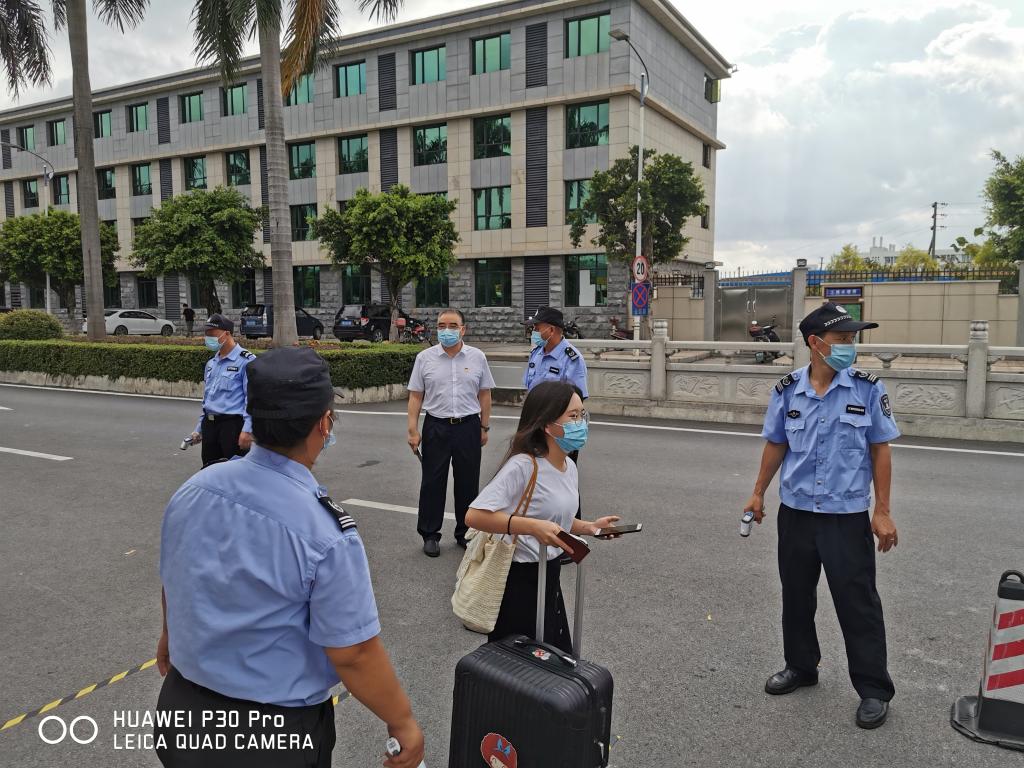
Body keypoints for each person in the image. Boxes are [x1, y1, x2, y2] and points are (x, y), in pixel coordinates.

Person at [155, 347, 425, 768]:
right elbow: (354, 653)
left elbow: (177, 573)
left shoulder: (196, 488)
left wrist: (169, 635)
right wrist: (402, 722)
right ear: (324, 423)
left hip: (182, 710)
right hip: (269, 734)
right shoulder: (325, 533)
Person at [743, 302, 901, 730]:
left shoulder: (867, 389)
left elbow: (880, 449)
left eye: (852, 338)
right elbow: (776, 443)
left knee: (857, 603)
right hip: (796, 512)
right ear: (815, 343)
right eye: (842, 338)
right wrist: (757, 493)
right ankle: (801, 666)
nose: (851, 345)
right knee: (796, 595)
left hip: (845, 516)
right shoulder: (786, 390)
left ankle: (873, 688)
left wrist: (882, 510)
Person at [465, 381, 621, 654]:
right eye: (573, 416)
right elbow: (474, 515)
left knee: (555, 660)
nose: (581, 423)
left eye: (582, 415)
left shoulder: (569, 466)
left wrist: (589, 527)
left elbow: (554, 519)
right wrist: (530, 527)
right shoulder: (523, 466)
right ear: (548, 425)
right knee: (520, 665)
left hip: (550, 576)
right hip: (520, 580)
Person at [407, 308, 495, 557]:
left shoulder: (477, 357)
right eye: (441, 326)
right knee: (432, 482)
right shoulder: (425, 358)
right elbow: (416, 395)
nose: (447, 330)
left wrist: (484, 426)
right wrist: (413, 430)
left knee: (468, 482)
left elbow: (485, 394)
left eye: (453, 326)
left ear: (463, 329)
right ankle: (430, 534)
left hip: (468, 426)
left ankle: (465, 532)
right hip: (436, 426)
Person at [188, 314, 254, 467]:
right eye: (206, 334)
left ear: (227, 333)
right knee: (209, 470)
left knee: (235, 473)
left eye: (212, 333)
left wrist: (248, 430)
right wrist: (199, 429)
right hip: (210, 426)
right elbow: (208, 400)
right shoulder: (211, 363)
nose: (208, 338)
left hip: (232, 427)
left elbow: (252, 398)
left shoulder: (246, 361)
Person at [522, 306, 589, 398]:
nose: (533, 332)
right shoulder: (536, 353)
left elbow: (577, 398)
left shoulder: (572, 359)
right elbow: (528, 387)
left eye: (537, 329)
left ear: (551, 330)